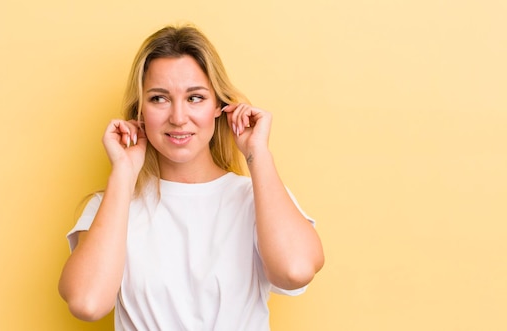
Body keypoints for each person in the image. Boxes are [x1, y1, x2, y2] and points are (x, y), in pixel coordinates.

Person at [58, 24, 324, 331]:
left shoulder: (256, 197)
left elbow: (296, 269)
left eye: (195, 98)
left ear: (218, 106)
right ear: (140, 111)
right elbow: (87, 302)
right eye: (159, 98)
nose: (178, 117)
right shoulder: (113, 206)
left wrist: (257, 154)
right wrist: (123, 173)